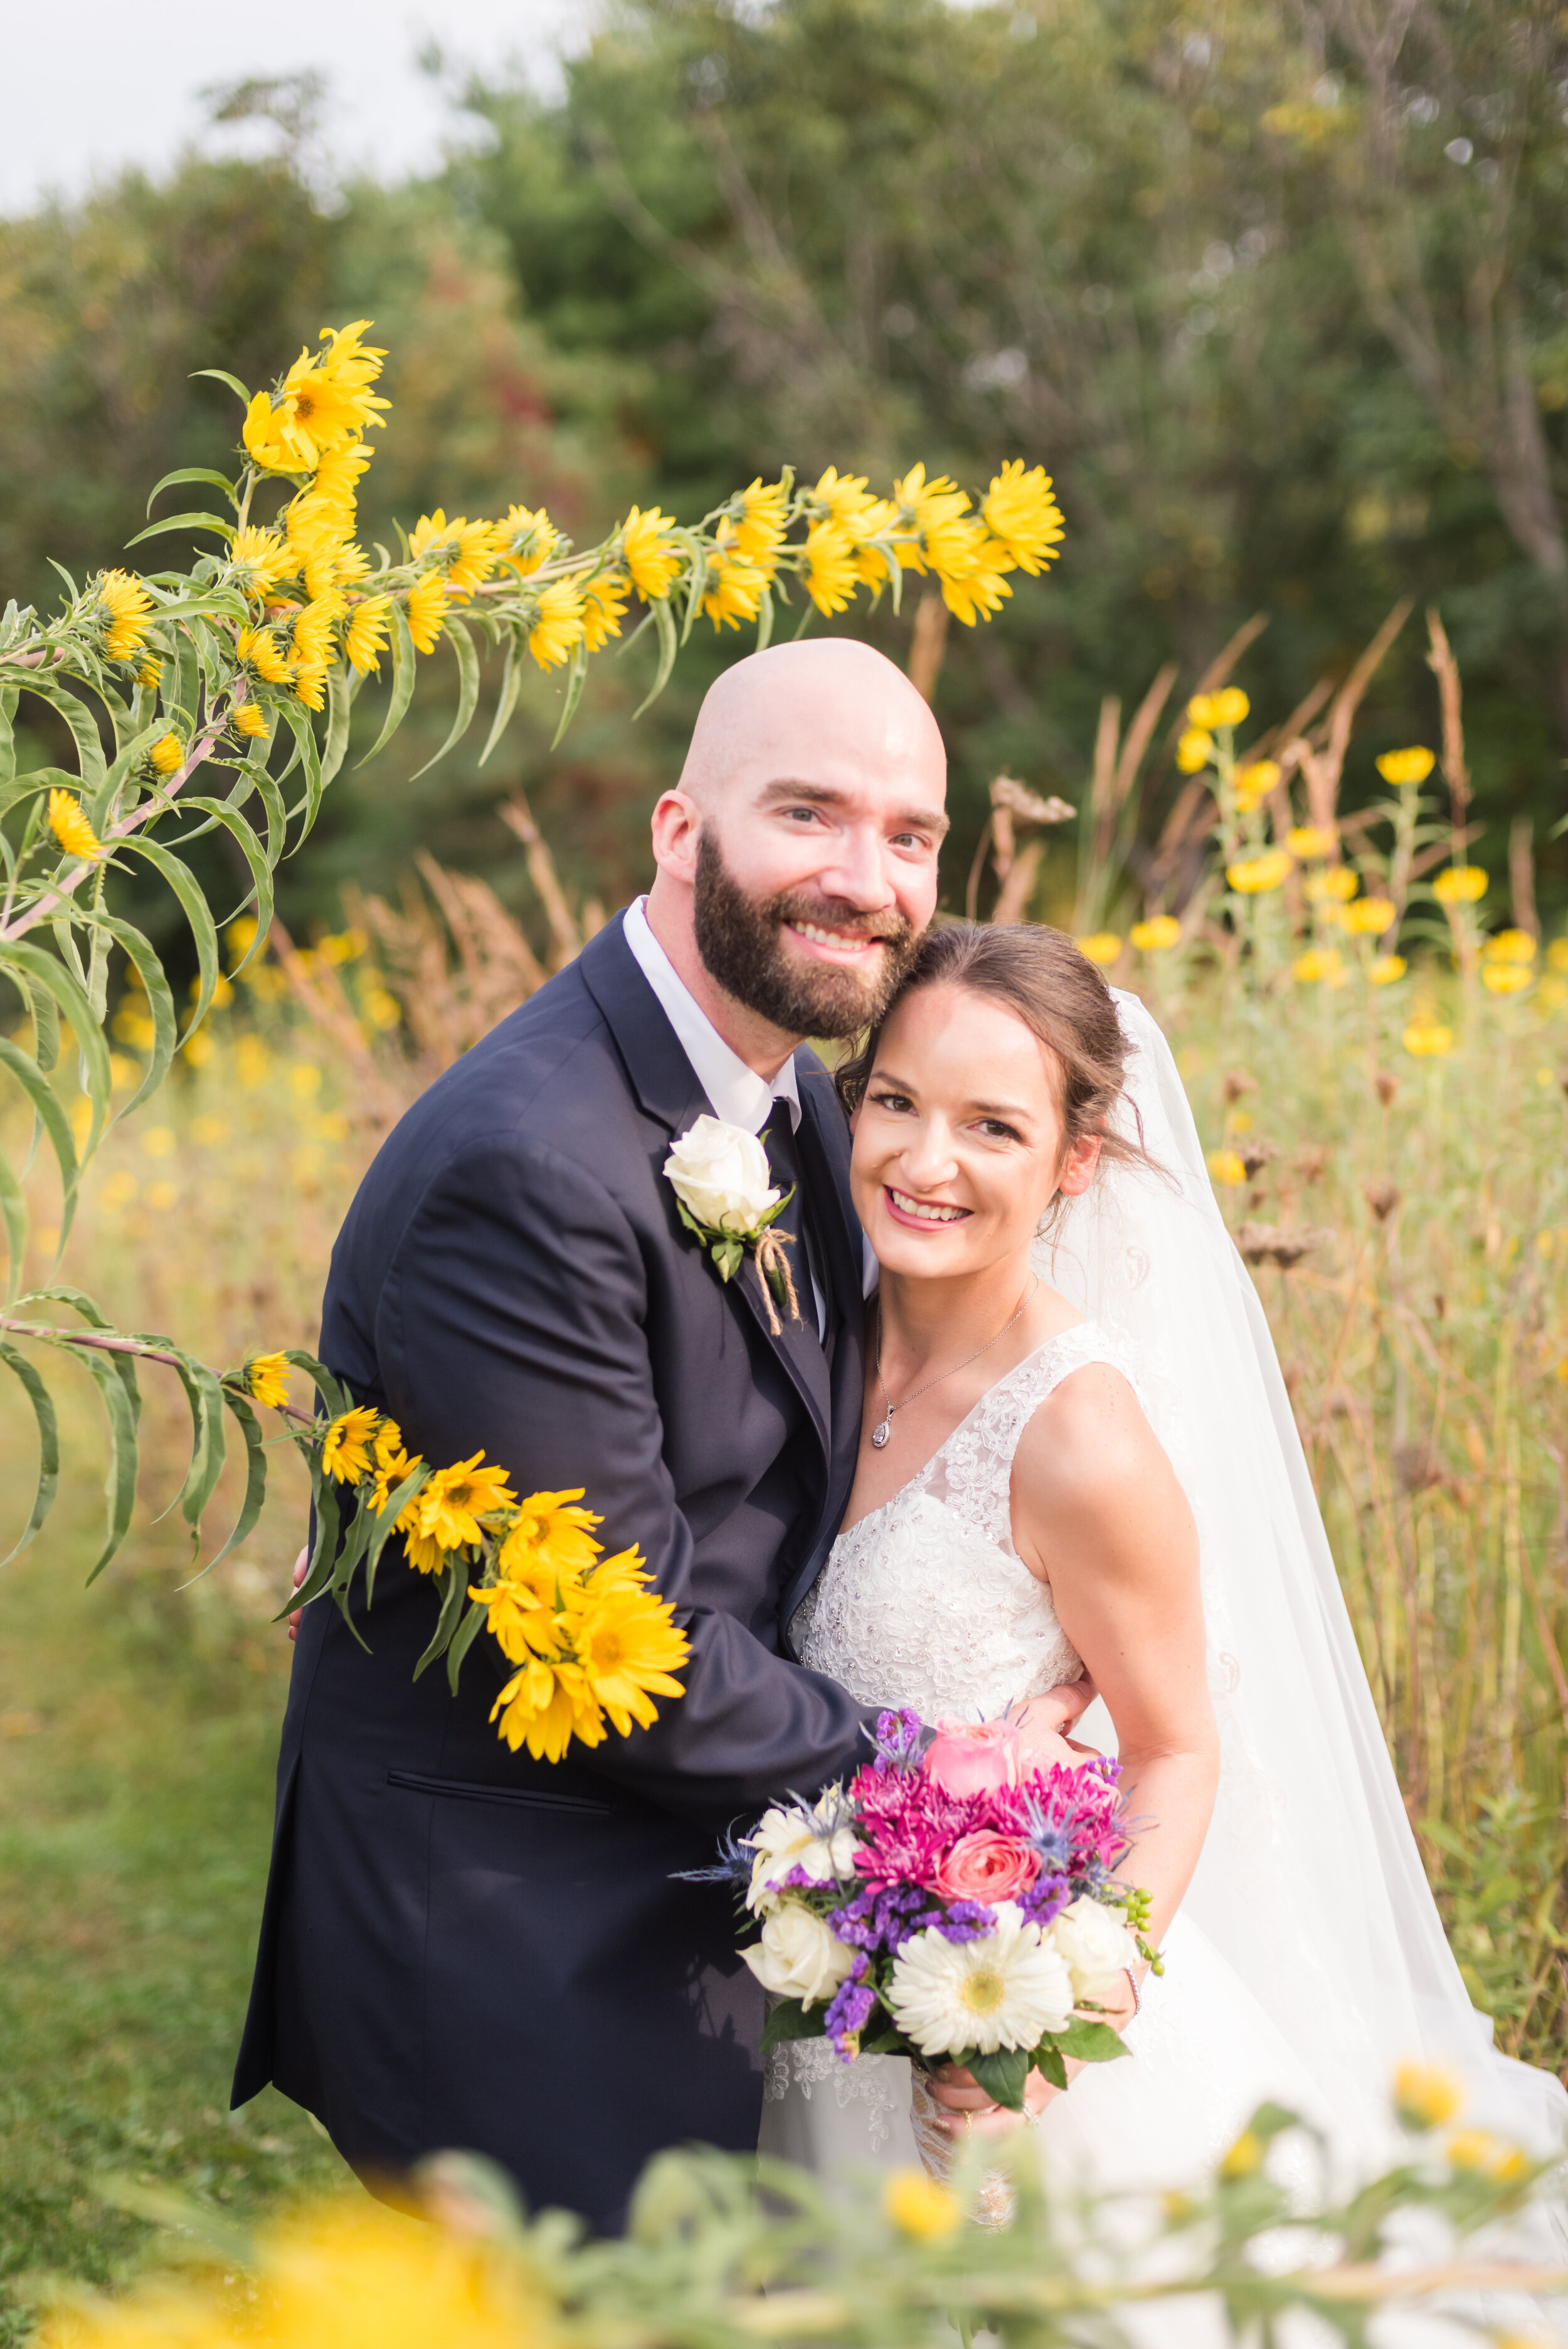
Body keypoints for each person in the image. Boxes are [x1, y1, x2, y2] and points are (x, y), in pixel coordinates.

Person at [231, 639, 1084, 2231]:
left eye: (908, 834)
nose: (865, 877)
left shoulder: (813, 1105)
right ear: (681, 833)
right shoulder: (532, 1163)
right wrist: (951, 1805)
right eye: (808, 815)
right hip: (519, 1931)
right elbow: (632, 1645)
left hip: (705, 1878)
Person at [761, 919, 1568, 2194]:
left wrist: (1051, 2011)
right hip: (816, 2004)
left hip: (996, 2042)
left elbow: (1175, 1748)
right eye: (896, 1102)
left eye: (991, 1126)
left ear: (1073, 1159)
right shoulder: (809, 1329)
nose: (925, 1160)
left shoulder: (1078, 1437)